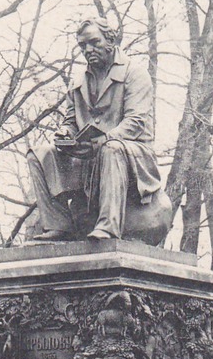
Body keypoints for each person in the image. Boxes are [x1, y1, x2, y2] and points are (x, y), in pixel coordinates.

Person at [27, 18, 162, 241]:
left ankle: (108, 227)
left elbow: (136, 122)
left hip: (131, 154)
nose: (88, 49)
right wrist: (66, 133)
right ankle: (59, 225)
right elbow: (70, 120)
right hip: (88, 156)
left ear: (110, 40)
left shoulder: (134, 73)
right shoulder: (78, 81)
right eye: (82, 46)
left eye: (94, 42)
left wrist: (107, 138)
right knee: (39, 154)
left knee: (111, 149)